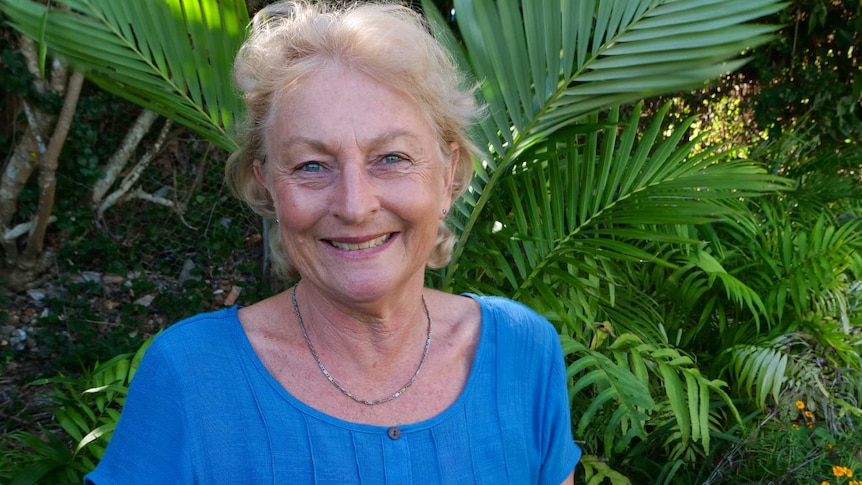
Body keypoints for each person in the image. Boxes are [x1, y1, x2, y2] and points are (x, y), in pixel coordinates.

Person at [85, 1, 581, 483]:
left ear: (449, 175)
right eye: (311, 166)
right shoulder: (190, 377)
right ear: (268, 187)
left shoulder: (523, 350)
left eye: (391, 158)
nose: (353, 204)